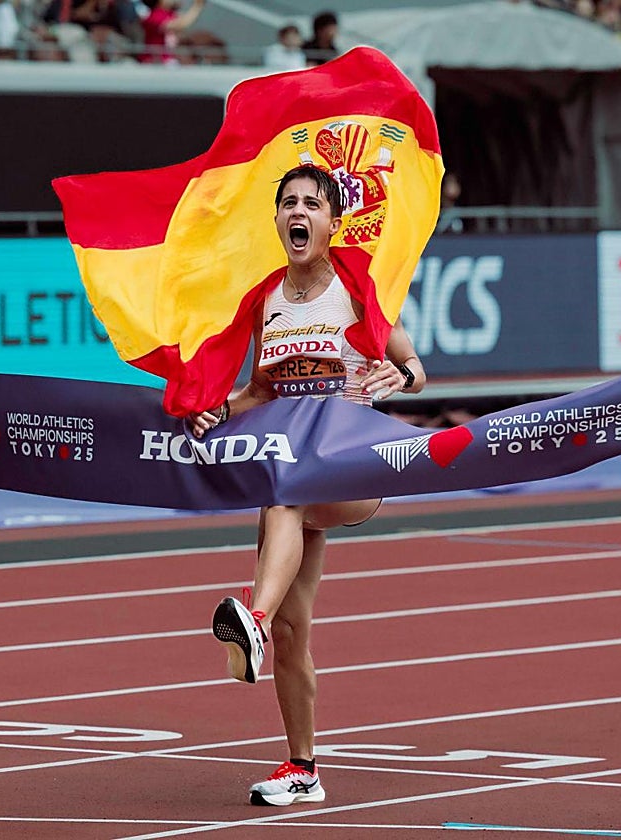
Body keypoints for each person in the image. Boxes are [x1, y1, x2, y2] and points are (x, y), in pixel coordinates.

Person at [189, 164, 426, 807]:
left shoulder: (354, 290)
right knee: (298, 633)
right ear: (277, 221)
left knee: (284, 499)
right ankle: (303, 767)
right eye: (288, 203)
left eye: (311, 204)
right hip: (290, 470)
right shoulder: (267, 301)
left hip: (353, 465)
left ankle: (252, 619)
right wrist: (217, 410)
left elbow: (413, 365)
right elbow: (259, 393)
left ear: (331, 221)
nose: (299, 212)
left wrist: (394, 379)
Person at [139, 0, 203, 64]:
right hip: (153, 61)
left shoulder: (170, 14)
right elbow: (180, 25)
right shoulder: (153, 16)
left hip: (167, 60)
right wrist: (197, 6)